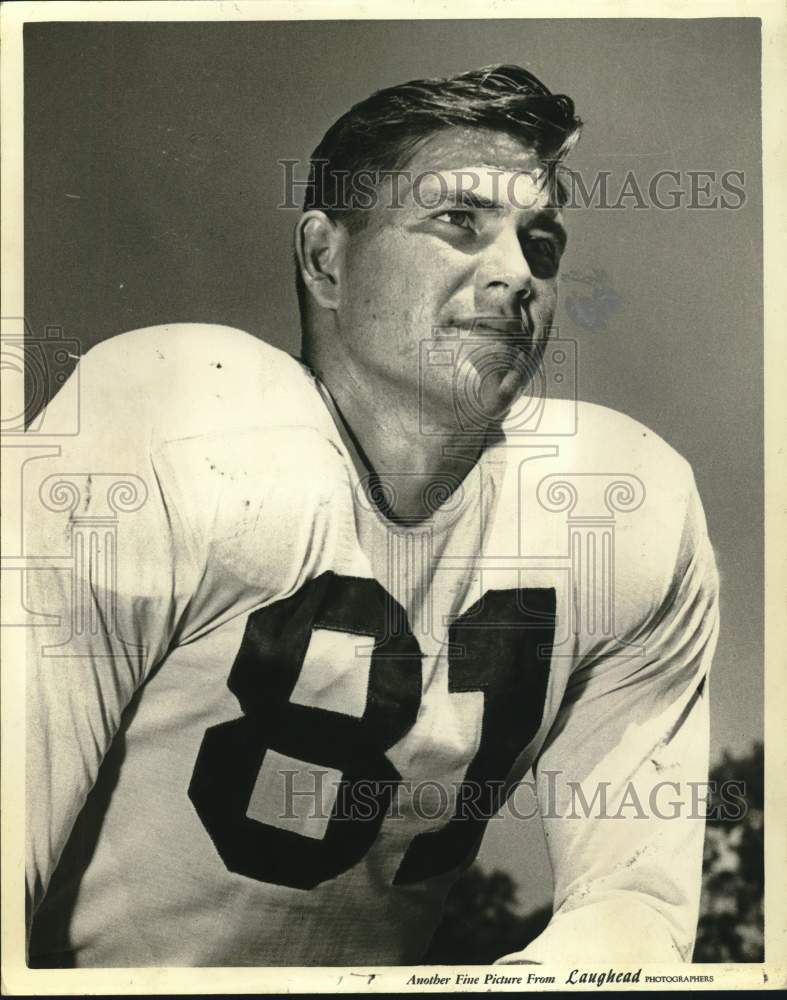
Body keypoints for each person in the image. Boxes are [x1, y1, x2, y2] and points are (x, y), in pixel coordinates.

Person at [25, 64, 719, 967]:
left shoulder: (625, 509)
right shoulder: (176, 421)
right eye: (457, 223)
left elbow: (634, 911)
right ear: (325, 258)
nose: (515, 273)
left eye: (540, 241)